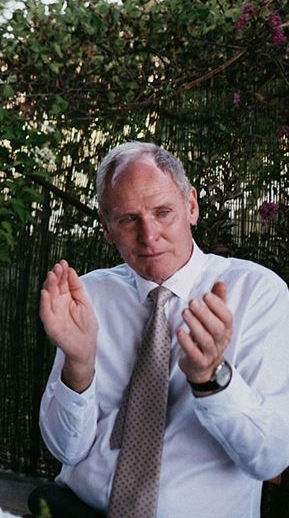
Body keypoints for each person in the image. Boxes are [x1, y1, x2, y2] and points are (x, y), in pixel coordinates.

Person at [32, 141, 289, 518]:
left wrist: (211, 379)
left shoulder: (257, 294)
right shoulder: (89, 295)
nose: (148, 236)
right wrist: (79, 365)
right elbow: (64, 450)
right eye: (128, 219)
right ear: (106, 228)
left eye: (163, 212)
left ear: (192, 206)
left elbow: (270, 459)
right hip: (78, 509)